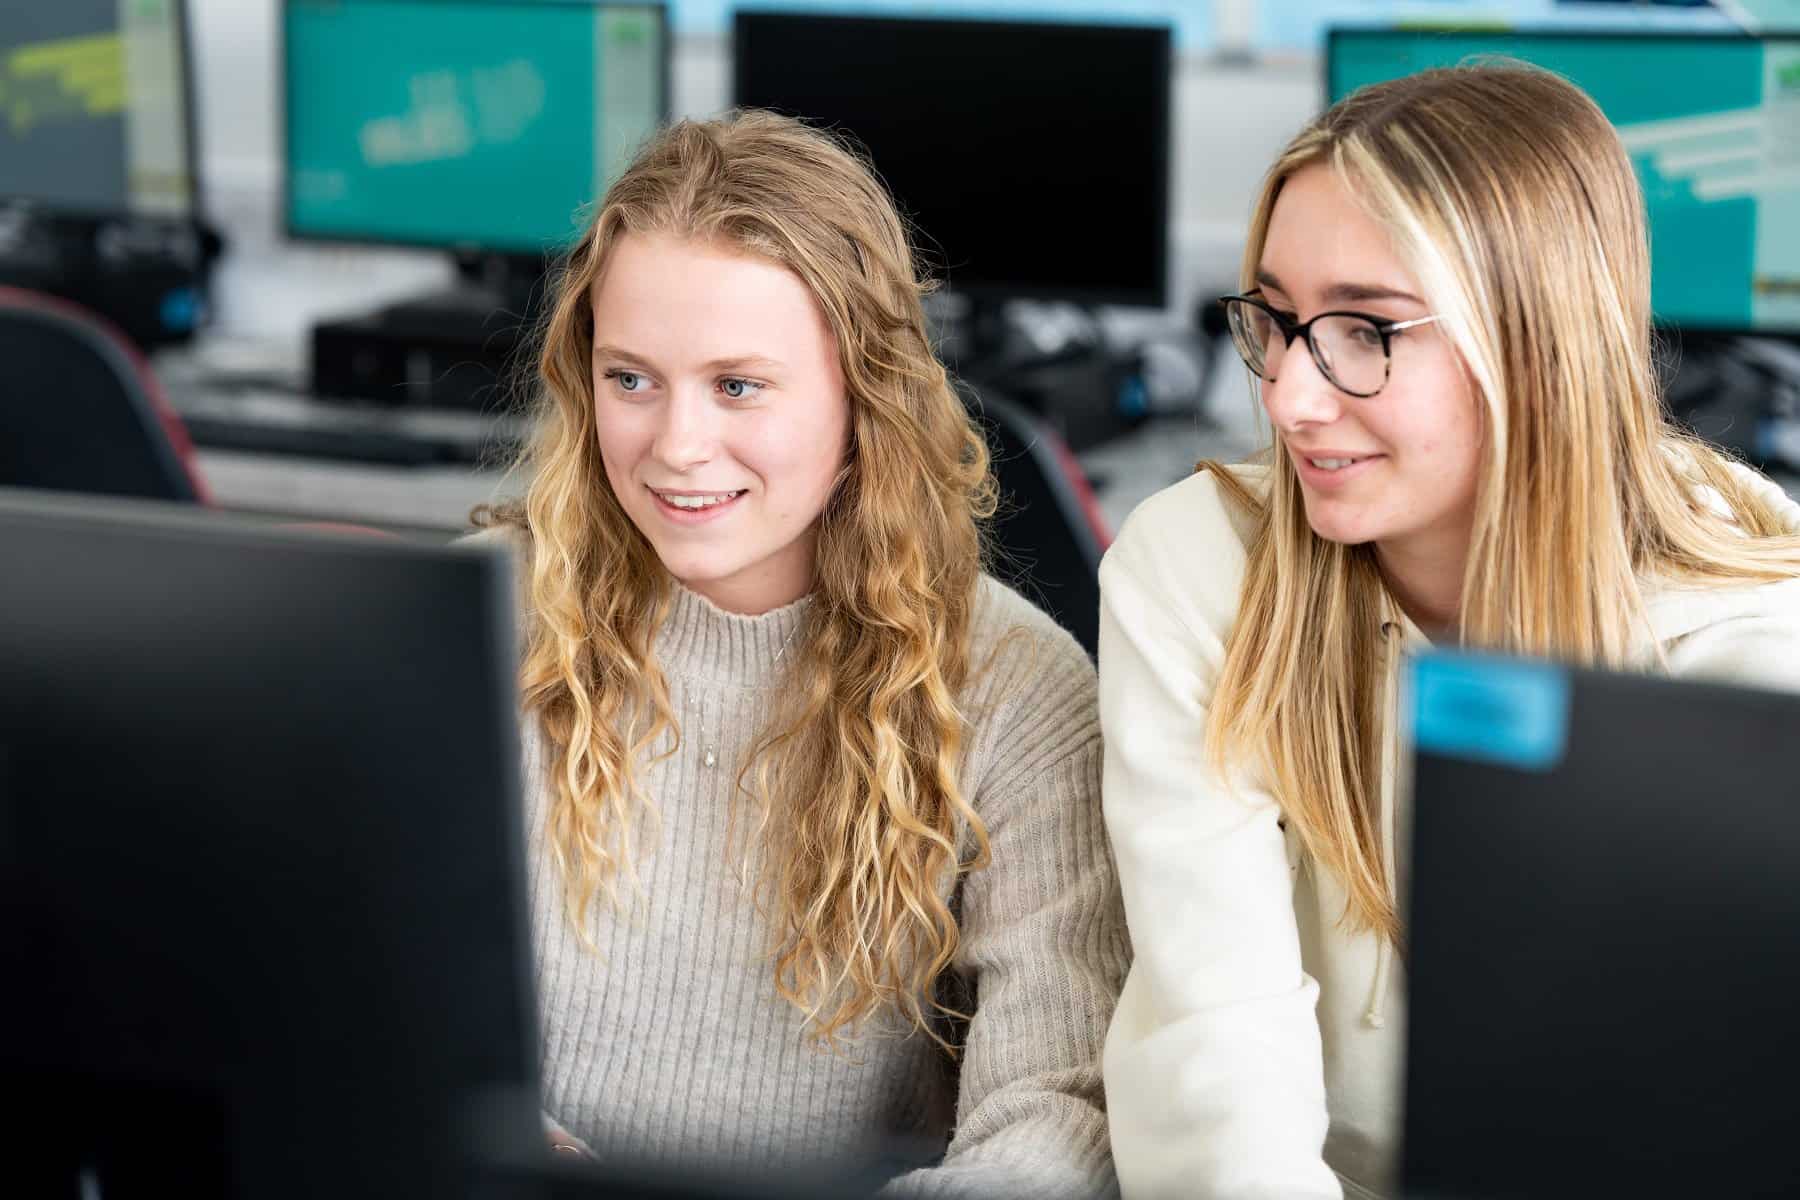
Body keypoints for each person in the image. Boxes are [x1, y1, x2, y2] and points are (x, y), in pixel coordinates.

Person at [1098, 63, 1800, 1200]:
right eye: (1275, 321)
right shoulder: (1195, 569)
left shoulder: (1754, 648)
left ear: (1537, 343)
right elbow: (1217, 1047)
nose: (1287, 397)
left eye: (1366, 330)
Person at [472, 110, 1129, 1199]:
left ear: (863, 399)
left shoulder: (1015, 693)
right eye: (631, 378)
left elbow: (1053, 1122)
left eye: (739, 386)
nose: (676, 444)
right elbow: (364, 997)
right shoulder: (486, 617)